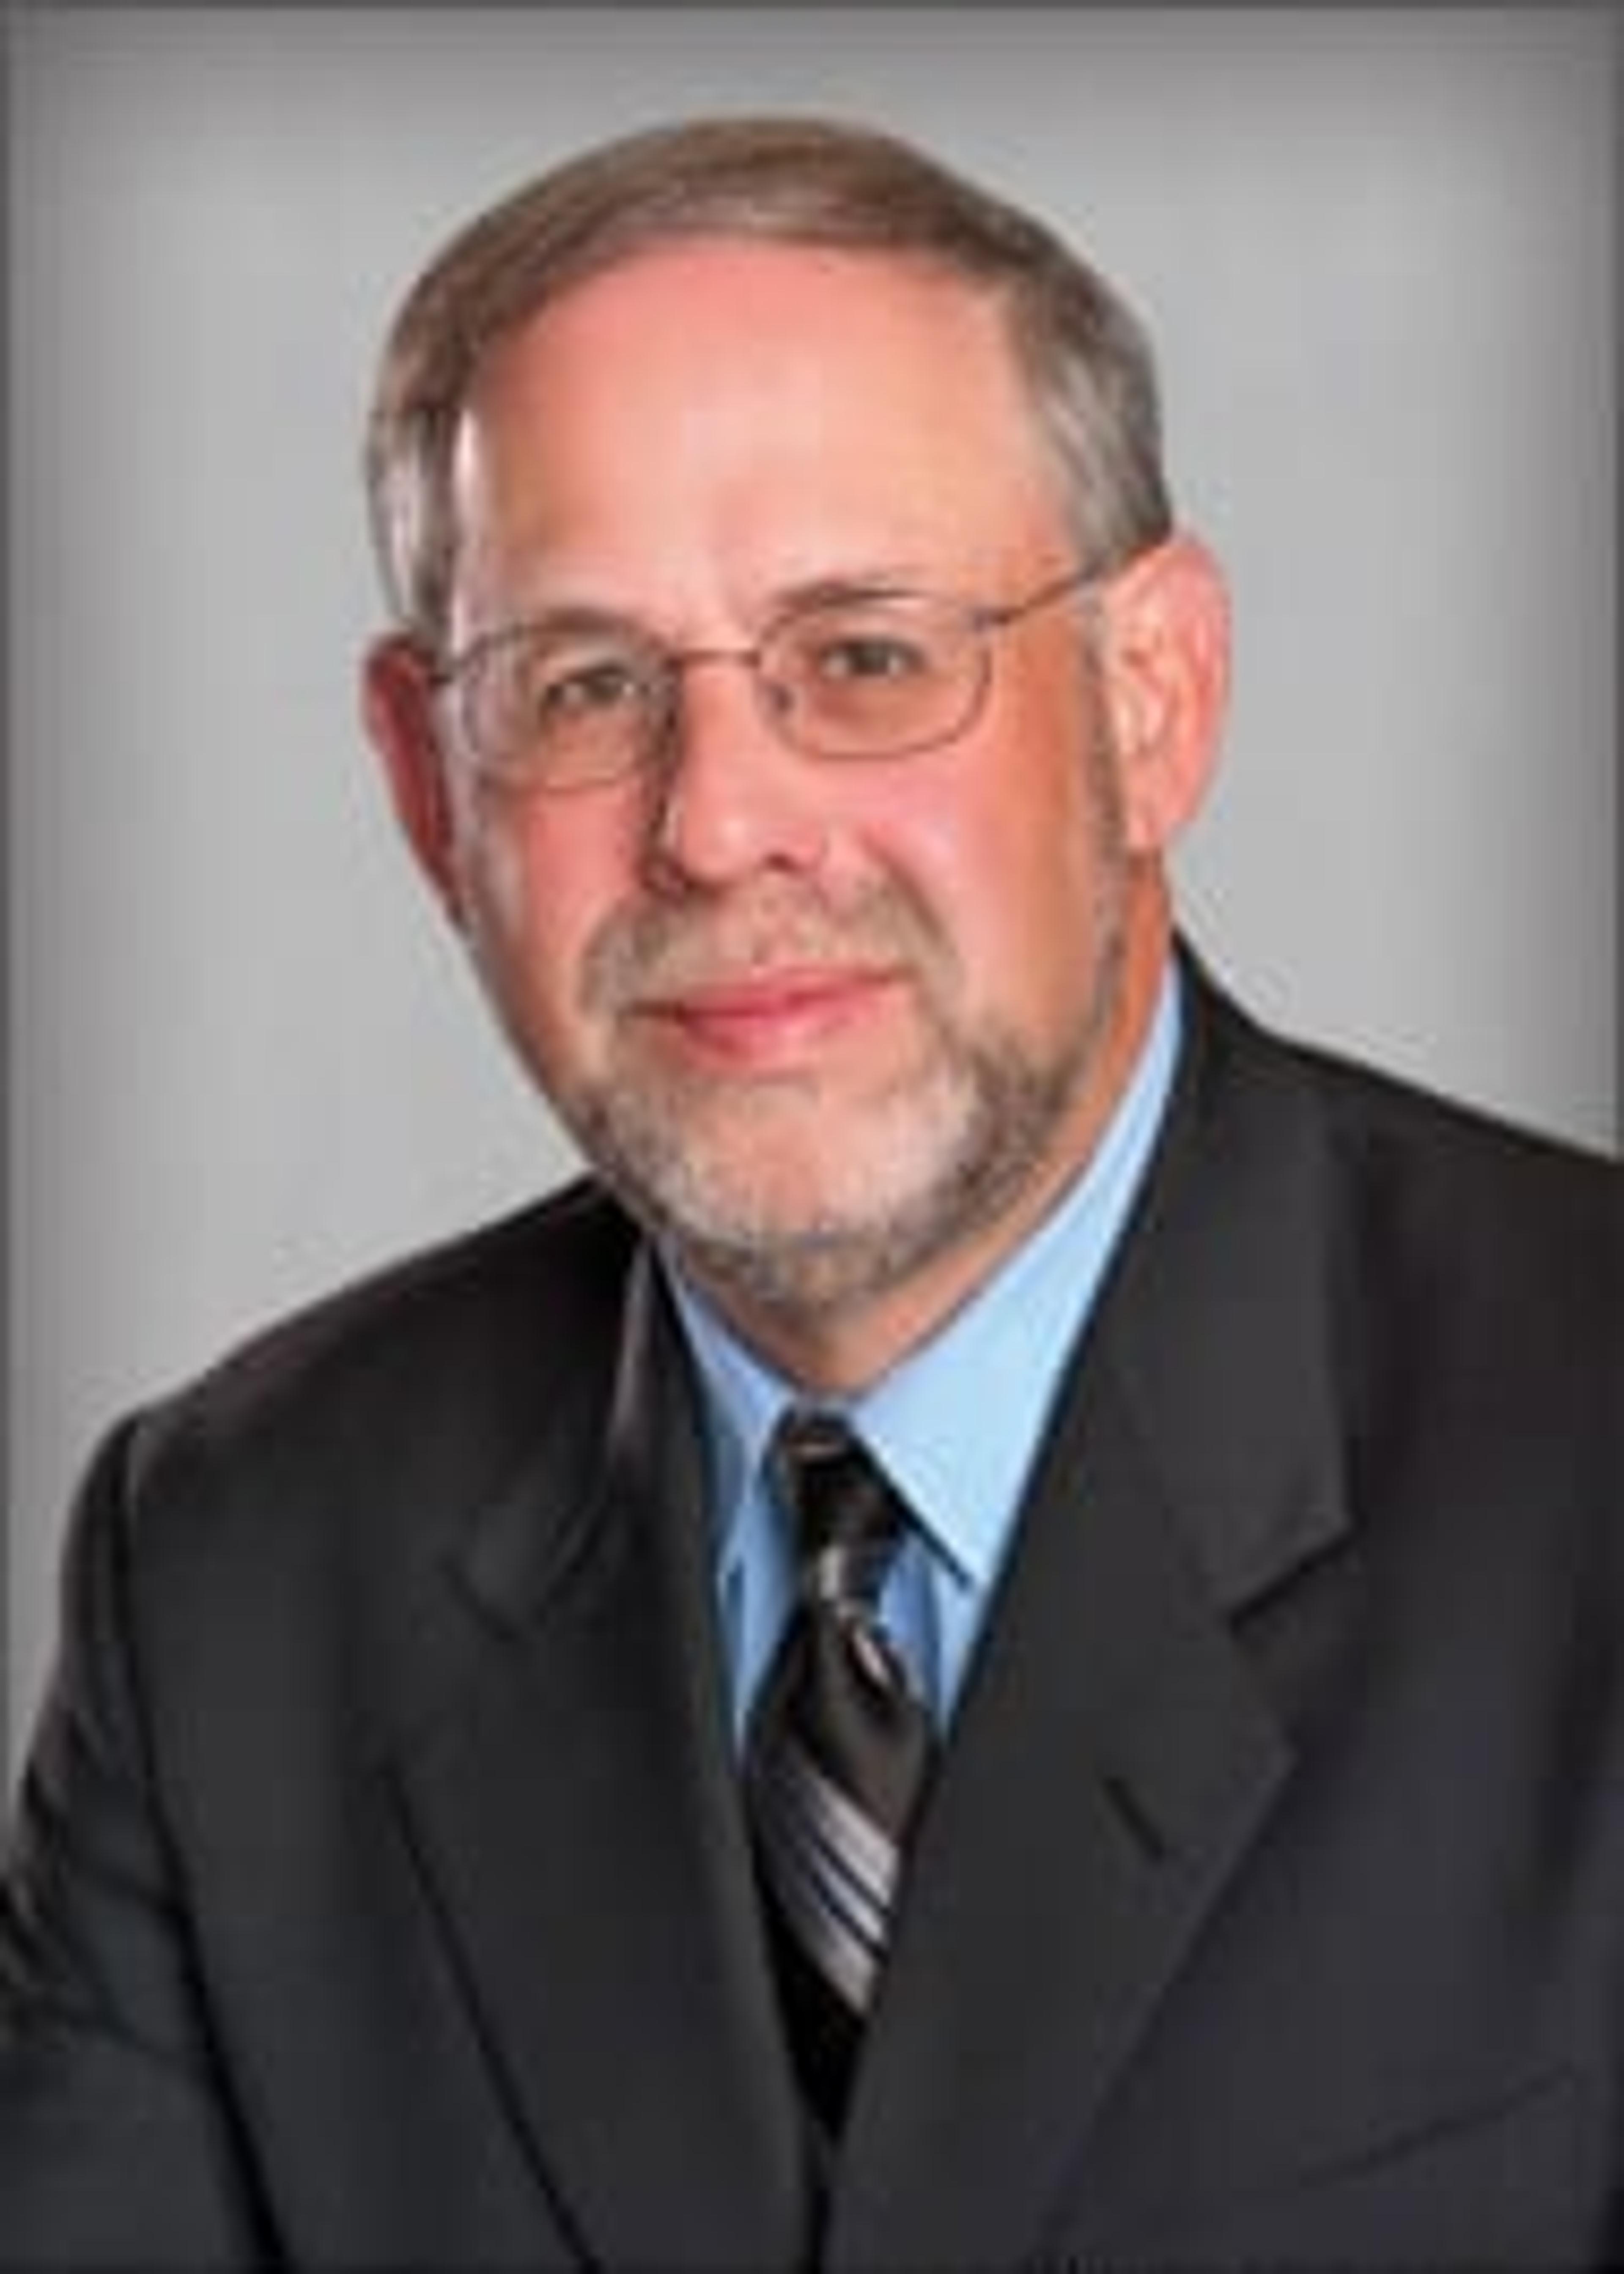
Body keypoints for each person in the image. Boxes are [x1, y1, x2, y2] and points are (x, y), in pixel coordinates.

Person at [0, 113, 1618, 2272]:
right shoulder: (230, 1575)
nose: (717, 825)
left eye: (864, 656)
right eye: (585, 687)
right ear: (427, 791)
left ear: (1152, 700)